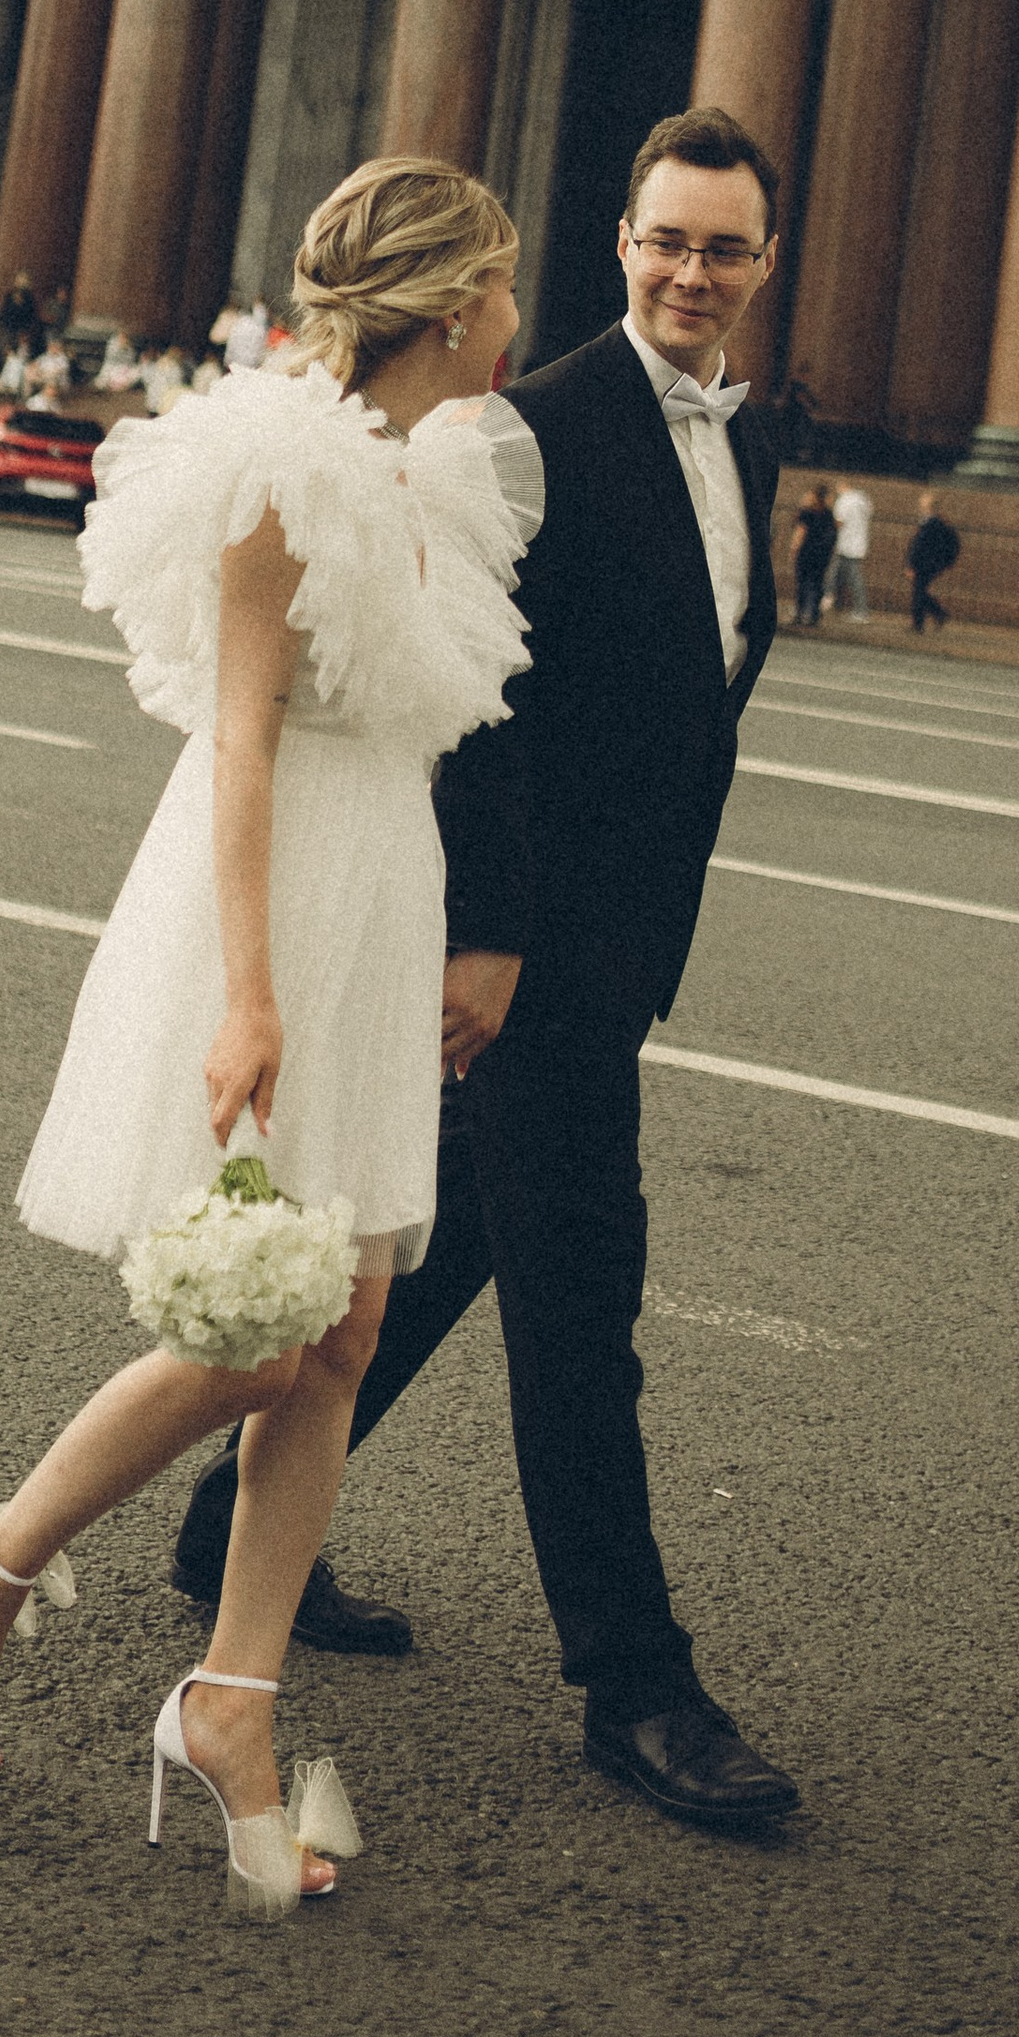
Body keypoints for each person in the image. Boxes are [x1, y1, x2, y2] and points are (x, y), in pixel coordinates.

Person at [0, 158, 532, 1916]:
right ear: (456, 298)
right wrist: (249, 993)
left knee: (345, 1328)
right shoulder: (282, 471)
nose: (515, 317)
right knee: (253, 1333)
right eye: (508, 286)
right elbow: (240, 739)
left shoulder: (430, 478)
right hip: (274, 905)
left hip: (383, 892)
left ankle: (233, 1705)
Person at [170, 105, 800, 1834]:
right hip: (529, 947)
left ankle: (227, 1534)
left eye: (724, 247)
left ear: (762, 266)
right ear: (622, 244)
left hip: (619, 932)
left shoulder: (752, 438)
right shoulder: (520, 434)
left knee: (446, 1245)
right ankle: (636, 1683)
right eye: (666, 239)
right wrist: (496, 930)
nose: (691, 271)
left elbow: (699, 683)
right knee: (584, 1303)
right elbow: (476, 694)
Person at [906, 492, 961, 634]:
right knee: (920, 592)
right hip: (931, 564)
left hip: (925, 564)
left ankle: (921, 624)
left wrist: (911, 564)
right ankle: (938, 615)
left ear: (928, 506)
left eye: (923, 502)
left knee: (918, 592)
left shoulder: (931, 523)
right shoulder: (936, 522)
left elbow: (918, 546)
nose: (920, 504)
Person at [789, 481, 838, 630]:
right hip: (822, 554)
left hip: (806, 552)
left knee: (802, 582)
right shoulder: (828, 514)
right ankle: (814, 616)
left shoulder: (807, 513)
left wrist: (794, 549)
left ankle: (799, 613)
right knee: (817, 584)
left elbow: (800, 532)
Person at [828, 477, 873, 619]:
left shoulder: (844, 501)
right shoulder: (863, 499)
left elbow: (839, 522)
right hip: (858, 544)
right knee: (837, 575)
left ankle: (861, 611)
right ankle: (833, 603)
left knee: (853, 579)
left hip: (846, 544)